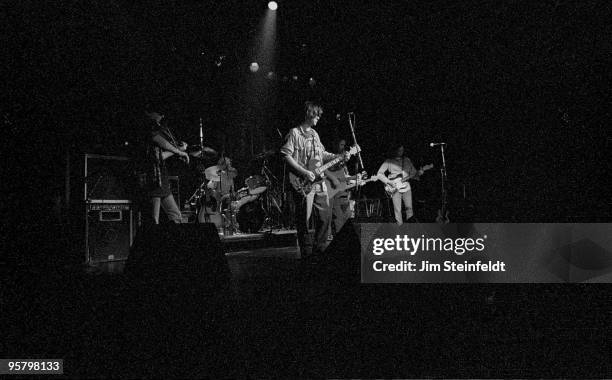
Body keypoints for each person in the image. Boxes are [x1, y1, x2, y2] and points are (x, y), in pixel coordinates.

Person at [281, 101, 349, 258]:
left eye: (319, 114)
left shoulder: (315, 134)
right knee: (304, 219)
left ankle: (320, 250)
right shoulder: (294, 133)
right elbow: (285, 155)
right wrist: (304, 172)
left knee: (325, 217)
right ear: (308, 113)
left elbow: (322, 155)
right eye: (316, 114)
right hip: (302, 182)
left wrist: (338, 157)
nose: (318, 117)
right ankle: (306, 254)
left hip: (319, 181)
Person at [141, 107, 190, 224]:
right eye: (159, 114)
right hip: (153, 179)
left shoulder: (154, 130)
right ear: (150, 113)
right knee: (154, 220)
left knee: (176, 216)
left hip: (161, 179)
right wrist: (178, 150)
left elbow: (160, 156)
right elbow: (158, 147)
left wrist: (177, 150)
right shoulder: (148, 129)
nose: (161, 117)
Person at [377, 145, 423, 225]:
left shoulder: (407, 160)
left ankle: (410, 228)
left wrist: (419, 173)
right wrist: (389, 182)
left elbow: (414, 174)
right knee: (397, 209)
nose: (400, 152)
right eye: (398, 150)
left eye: (402, 150)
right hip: (395, 187)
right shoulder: (389, 161)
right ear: (394, 150)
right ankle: (399, 229)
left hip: (406, 187)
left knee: (409, 208)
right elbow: (379, 174)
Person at [325, 139, 354, 236]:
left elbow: (343, 176)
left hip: (343, 192)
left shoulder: (343, 161)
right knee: (338, 219)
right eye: (341, 145)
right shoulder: (329, 157)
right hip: (334, 193)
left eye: (345, 145)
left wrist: (354, 179)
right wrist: (333, 178)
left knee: (347, 217)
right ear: (335, 145)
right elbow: (323, 169)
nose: (343, 148)